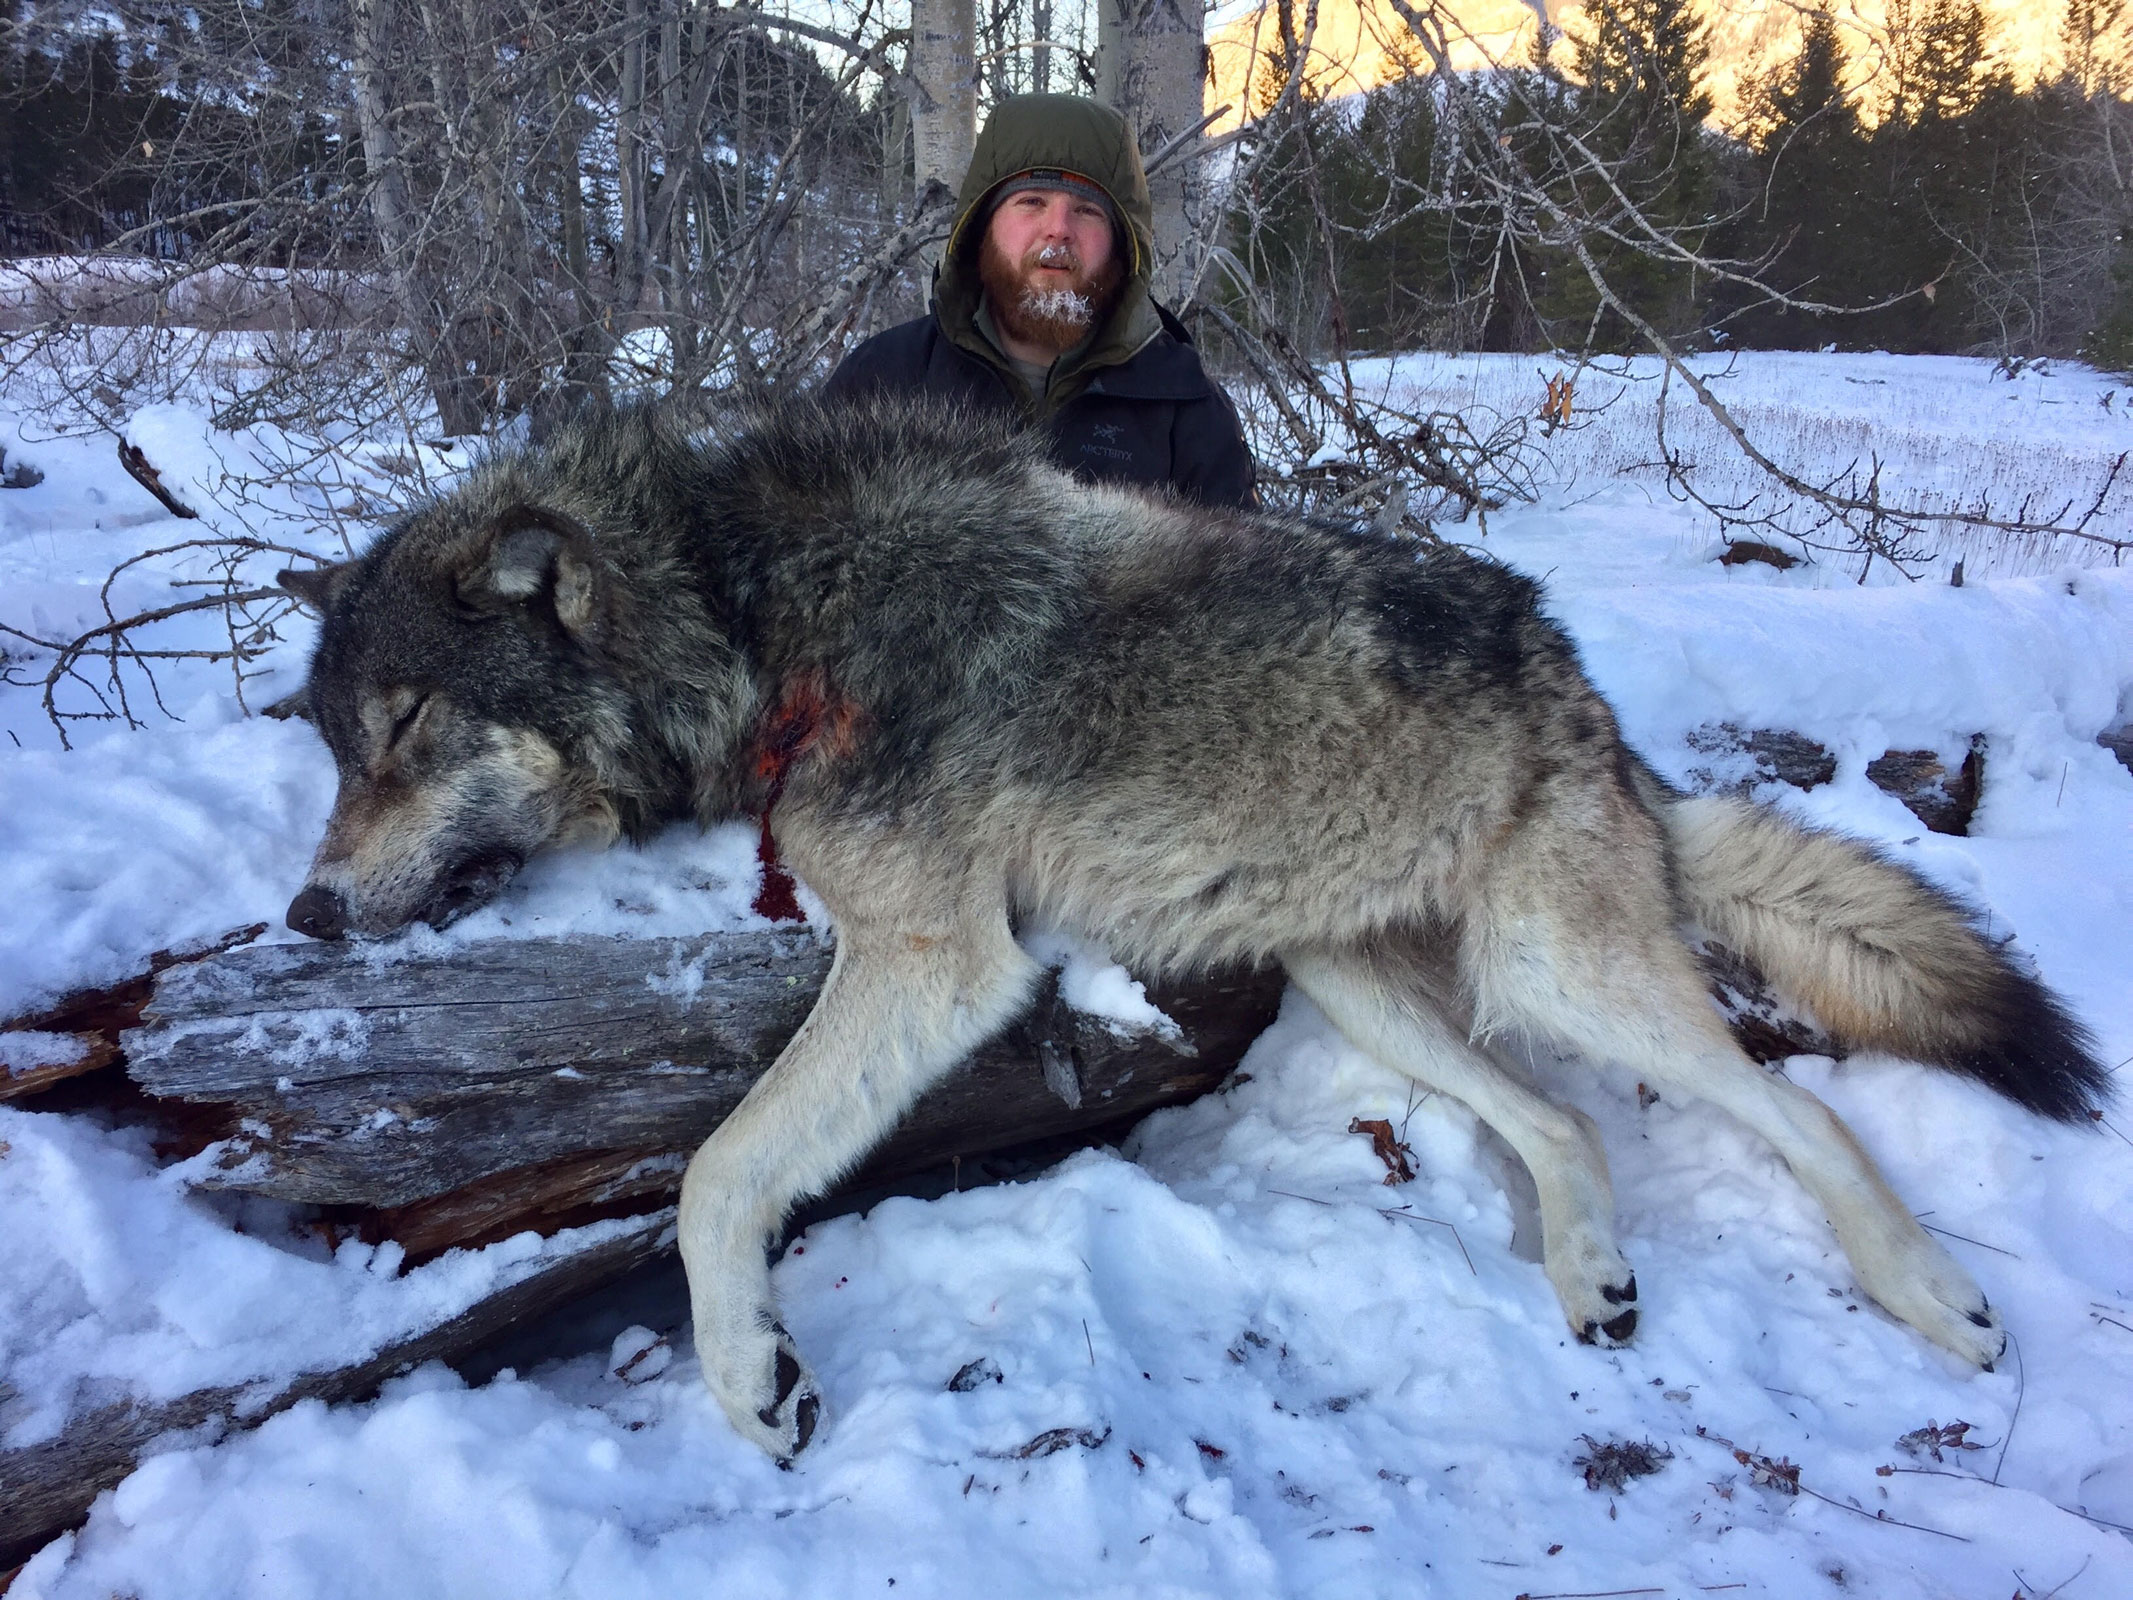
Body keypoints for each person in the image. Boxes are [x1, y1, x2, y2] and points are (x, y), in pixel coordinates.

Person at [823, 94, 1256, 509]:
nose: (1058, 229)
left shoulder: (1185, 406)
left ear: (1123, 246)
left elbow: (1244, 578)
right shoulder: (884, 379)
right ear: (982, 227)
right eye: (1031, 202)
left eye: (1087, 210)